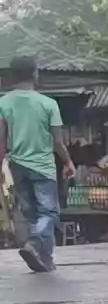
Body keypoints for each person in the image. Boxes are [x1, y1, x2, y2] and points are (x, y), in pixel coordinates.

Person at [0, 56, 75, 272]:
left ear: (12, 76)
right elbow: (57, 142)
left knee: (32, 212)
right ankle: (35, 242)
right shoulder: (48, 104)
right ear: (35, 74)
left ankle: (45, 258)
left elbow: (2, 140)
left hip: (17, 164)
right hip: (42, 166)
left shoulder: (3, 103)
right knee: (48, 212)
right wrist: (68, 161)